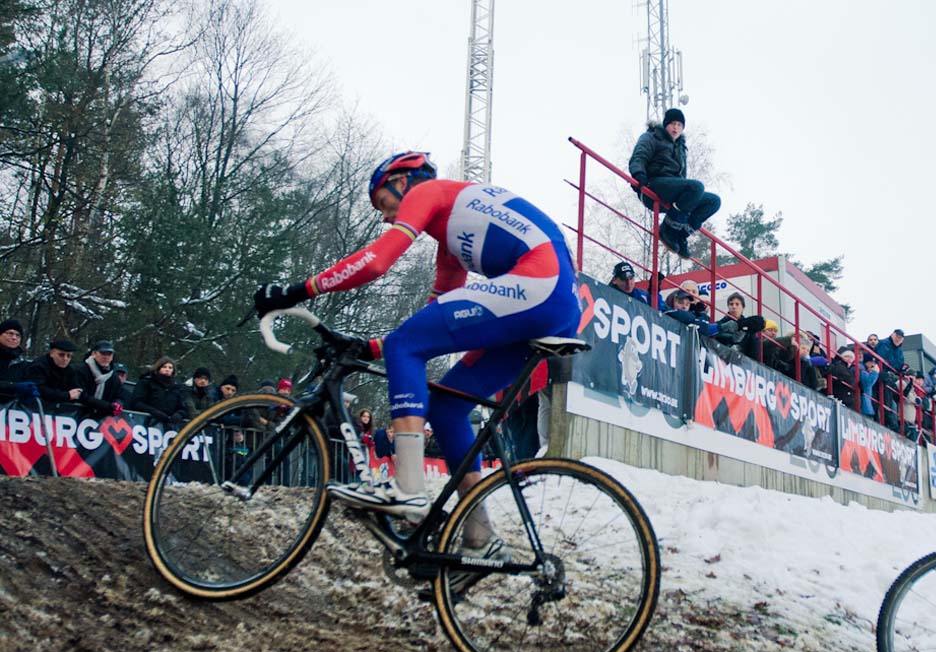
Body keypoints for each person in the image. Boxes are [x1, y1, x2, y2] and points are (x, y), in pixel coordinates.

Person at [253, 150, 580, 546]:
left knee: (406, 347)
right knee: (447, 407)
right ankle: (480, 536)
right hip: (550, 302)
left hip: (540, 284)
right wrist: (371, 347)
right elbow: (436, 322)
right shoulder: (451, 244)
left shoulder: (432, 192)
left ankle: (408, 487)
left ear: (401, 181)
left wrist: (296, 291)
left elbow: (376, 262)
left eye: (383, 203)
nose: (386, 216)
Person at [628, 108, 721, 259]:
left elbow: (682, 177)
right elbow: (639, 156)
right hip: (653, 184)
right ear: (665, 125)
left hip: (673, 189)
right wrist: (639, 176)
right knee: (697, 187)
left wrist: (690, 199)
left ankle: (681, 234)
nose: (676, 128)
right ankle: (668, 229)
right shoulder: (652, 137)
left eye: (679, 125)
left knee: (713, 201)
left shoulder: (681, 147)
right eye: (672, 124)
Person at [128, 356, 192, 428]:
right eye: (164, 367)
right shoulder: (146, 382)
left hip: (169, 427)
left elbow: (184, 408)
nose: (167, 369)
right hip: (145, 423)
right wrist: (153, 412)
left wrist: (179, 414)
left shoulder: (177, 388)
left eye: (170, 368)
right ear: (158, 368)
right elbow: (137, 402)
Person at [72, 340, 126, 416]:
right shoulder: (80, 369)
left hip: (100, 420)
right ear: (94, 354)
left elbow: (120, 395)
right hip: (74, 414)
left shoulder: (113, 376)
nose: (106, 357)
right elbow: (80, 395)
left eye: (109, 354)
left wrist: (117, 404)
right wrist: (107, 406)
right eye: (103, 353)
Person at [26, 338, 84, 406]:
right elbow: (38, 389)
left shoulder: (69, 370)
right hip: (35, 406)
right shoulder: (38, 367)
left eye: (69, 356)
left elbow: (77, 390)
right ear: (52, 353)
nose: (65, 359)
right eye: (61, 355)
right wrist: (66, 395)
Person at [0, 318, 35, 402]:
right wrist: (13, 386)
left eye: (18, 335)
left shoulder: (22, 364)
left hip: (11, 411)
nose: (14, 337)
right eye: (10, 333)